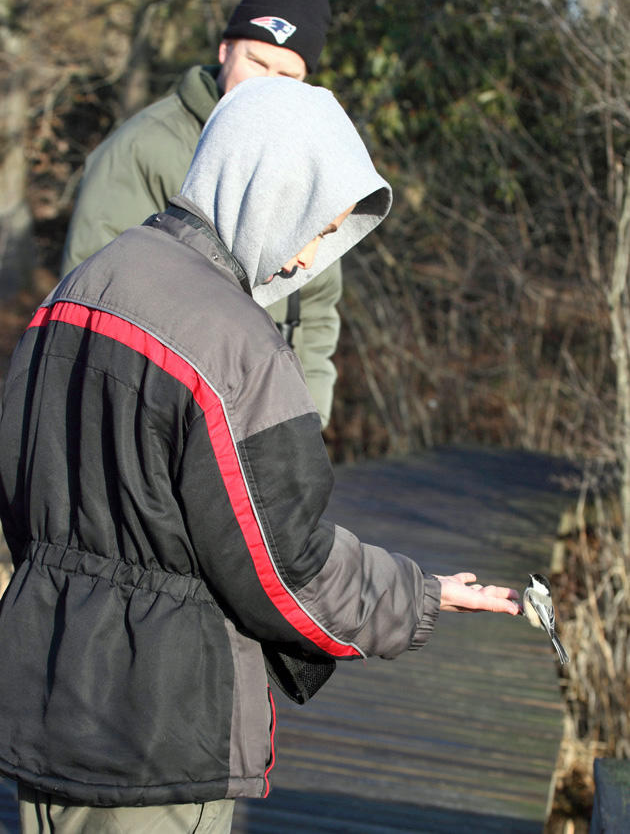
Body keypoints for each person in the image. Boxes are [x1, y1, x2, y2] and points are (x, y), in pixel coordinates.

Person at [0, 78, 520, 834]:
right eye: (315, 223)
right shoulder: (233, 344)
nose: (308, 256)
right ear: (267, 187)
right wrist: (419, 596)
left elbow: (19, 488)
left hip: (46, 704)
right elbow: (287, 570)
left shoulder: (80, 286)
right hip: (155, 737)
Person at [60, 0, 341, 428]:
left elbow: (317, 306)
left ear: (306, 79)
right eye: (256, 62)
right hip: (158, 416)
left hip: (267, 413)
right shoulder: (142, 148)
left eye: (287, 73)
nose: (266, 85)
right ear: (225, 50)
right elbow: (91, 301)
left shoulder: (310, 161)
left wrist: (309, 424)